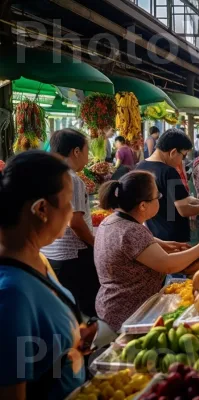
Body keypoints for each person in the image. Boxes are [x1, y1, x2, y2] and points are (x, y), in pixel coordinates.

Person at [0, 151, 100, 400]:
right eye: (67, 203)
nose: (71, 213)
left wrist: (74, 337)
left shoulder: (37, 259)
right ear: (42, 208)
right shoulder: (11, 293)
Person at [94, 171, 199, 331]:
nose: (160, 199)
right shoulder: (132, 232)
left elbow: (130, 246)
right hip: (128, 313)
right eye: (157, 196)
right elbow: (168, 266)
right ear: (143, 206)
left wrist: (160, 243)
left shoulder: (112, 219)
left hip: (111, 306)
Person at [41, 129, 99, 317]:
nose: (87, 156)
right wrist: (94, 243)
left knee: (65, 307)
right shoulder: (71, 179)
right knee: (85, 308)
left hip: (51, 254)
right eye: (86, 150)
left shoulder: (45, 175)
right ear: (75, 151)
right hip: (73, 256)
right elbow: (74, 222)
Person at [136, 129, 199, 243]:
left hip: (154, 234)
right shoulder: (169, 171)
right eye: (183, 156)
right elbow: (183, 209)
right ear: (173, 152)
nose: (182, 161)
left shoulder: (141, 166)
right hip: (173, 237)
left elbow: (182, 198)